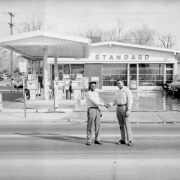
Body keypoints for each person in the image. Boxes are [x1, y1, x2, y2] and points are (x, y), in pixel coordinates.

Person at [106, 80, 133, 146]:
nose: (118, 84)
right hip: (118, 108)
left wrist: (129, 110)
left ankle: (130, 140)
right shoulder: (117, 91)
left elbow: (130, 100)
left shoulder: (127, 90)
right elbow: (115, 101)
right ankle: (123, 139)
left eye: (119, 83)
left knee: (127, 125)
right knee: (121, 125)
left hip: (124, 107)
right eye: (117, 83)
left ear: (123, 83)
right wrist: (110, 104)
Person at [86, 81, 105, 146]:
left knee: (98, 125)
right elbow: (94, 101)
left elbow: (98, 101)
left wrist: (100, 110)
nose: (93, 87)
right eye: (92, 86)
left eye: (94, 86)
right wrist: (103, 104)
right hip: (91, 109)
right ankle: (89, 140)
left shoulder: (96, 93)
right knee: (90, 125)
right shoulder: (88, 93)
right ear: (90, 86)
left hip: (97, 109)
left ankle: (97, 139)